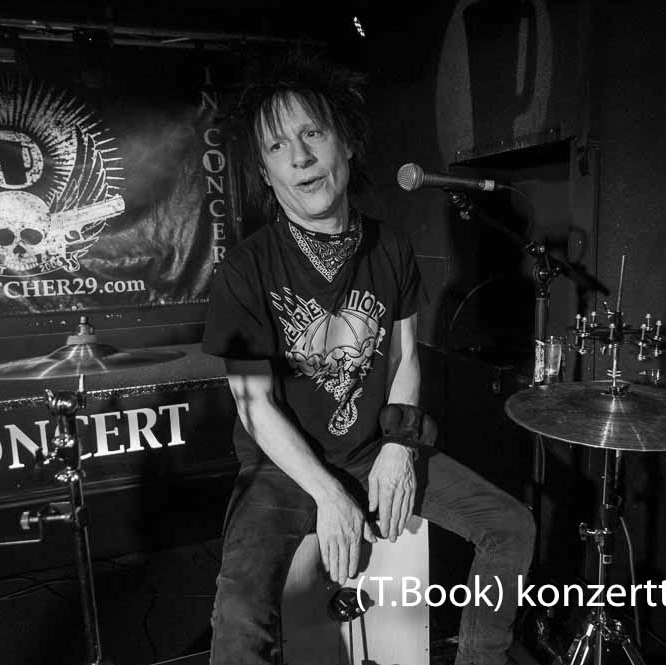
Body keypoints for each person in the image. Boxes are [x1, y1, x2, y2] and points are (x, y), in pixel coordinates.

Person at [202, 54, 535, 665]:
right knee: (239, 613)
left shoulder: (391, 247)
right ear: (267, 173)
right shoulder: (244, 269)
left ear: (346, 144)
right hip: (283, 467)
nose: (300, 156)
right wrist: (329, 495)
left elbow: (405, 356)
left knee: (509, 526)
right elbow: (255, 407)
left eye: (313, 133)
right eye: (278, 146)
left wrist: (401, 447)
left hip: (373, 448)